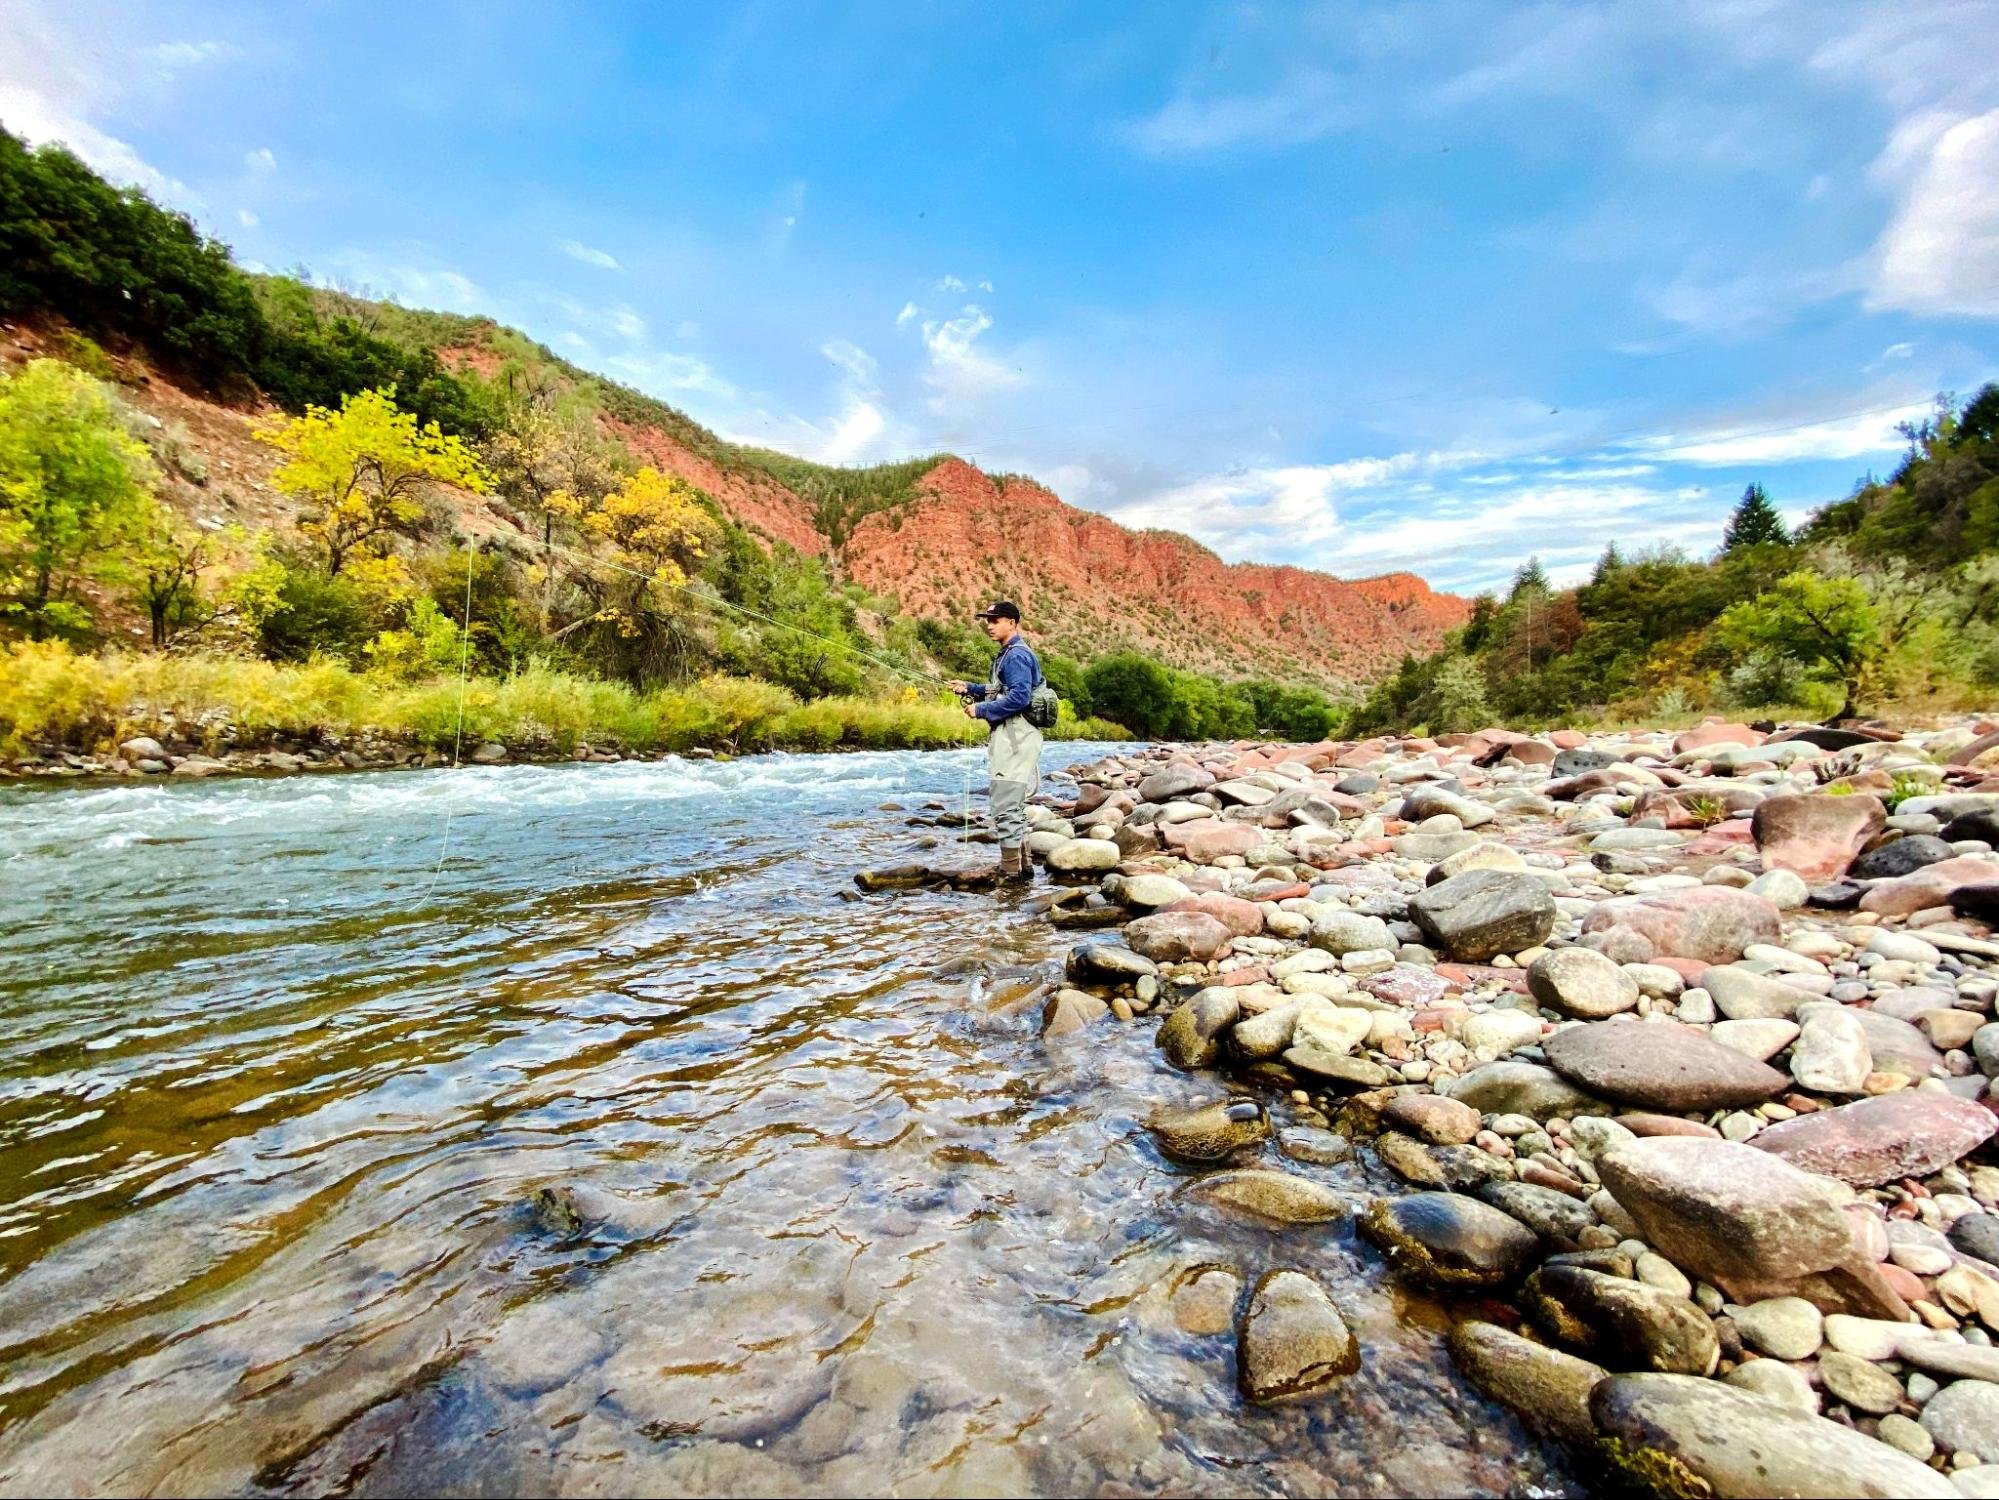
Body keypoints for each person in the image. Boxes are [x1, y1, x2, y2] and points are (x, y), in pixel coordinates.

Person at [954, 600, 1043, 882]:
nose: (990, 626)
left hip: (1015, 737)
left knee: (1005, 804)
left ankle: (1010, 873)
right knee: (1013, 804)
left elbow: (1019, 698)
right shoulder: (1009, 653)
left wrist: (979, 710)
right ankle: (1023, 868)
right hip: (1016, 736)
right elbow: (1001, 690)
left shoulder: (1016, 655)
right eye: (988, 621)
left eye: (996, 620)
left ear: (1012, 623)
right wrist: (970, 688)